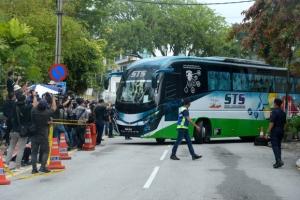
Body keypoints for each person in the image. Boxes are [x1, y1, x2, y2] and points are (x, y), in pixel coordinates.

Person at [6, 95, 33, 172]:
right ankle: (17, 166)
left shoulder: (15, 106)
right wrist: (33, 95)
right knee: (21, 149)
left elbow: (15, 101)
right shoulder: (27, 108)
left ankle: (7, 163)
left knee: (11, 146)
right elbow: (34, 104)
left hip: (14, 130)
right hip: (22, 131)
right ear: (24, 100)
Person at [31, 92, 56, 174]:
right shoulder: (46, 113)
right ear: (45, 106)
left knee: (34, 152)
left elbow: (34, 104)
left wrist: (35, 95)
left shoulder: (34, 111)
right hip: (43, 135)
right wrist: (53, 98)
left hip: (34, 134)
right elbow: (54, 107)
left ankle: (34, 169)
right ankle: (43, 167)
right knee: (46, 150)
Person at [265, 98, 286, 168]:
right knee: (278, 146)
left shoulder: (275, 112)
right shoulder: (283, 112)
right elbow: (285, 124)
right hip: (281, 130)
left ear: (275, 104)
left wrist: (267, 132)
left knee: (275, 145)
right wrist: (283, 131)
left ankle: (279, 160)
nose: (273, 104)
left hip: (276, 130)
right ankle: (277, 162)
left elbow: (272, 123)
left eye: (274, 103)